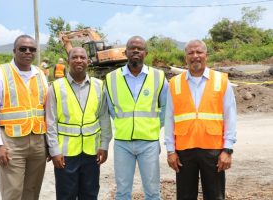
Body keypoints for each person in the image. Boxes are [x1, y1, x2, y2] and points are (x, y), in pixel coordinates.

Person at [165, 39, 237, 200]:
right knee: (185, 196)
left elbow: (230, 116)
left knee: (215, 196)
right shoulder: (174, 83)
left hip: (213, 150)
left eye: (199, 52)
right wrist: (170, 150)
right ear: (185, 57)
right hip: (184, 151)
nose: (195, 56)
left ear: (206, 55)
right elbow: (169, 118)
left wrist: (228, 149)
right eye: (191, 53)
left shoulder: (221, 81)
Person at [0, 35, 48, 200]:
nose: (28, 52)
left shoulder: (40, 75)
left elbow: (47, 110)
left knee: (32, 190)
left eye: (32, 49)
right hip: (12, 142)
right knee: (13, 191)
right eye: (23, 49)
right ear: (14, 51)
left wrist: (48, 143)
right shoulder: (0, 74)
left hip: (38, 142)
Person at [105, 36, 168, 199]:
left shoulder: (158, 77)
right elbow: (111, 109)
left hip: (149, 142)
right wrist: (123, 125)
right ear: (125, 52)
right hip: (122, 143)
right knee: (122, 192)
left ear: (145, 53)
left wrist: (153, 126)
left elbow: (165, 108)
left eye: (139, 48)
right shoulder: (111, 78)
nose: (135, 51)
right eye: (132, 48)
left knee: (153, 192)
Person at [45, 47, 112, 199]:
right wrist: (54, 150)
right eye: (74, 57)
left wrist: (104, 145)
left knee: (90, 194)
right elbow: (50, 121)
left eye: (82, 57)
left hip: (92, 151)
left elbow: (104, 117)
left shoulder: (99, 86)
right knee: (66, 195)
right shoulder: (56, 88)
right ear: (68, 61)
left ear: (88, 61)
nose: (79, 60)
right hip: (66, 154)